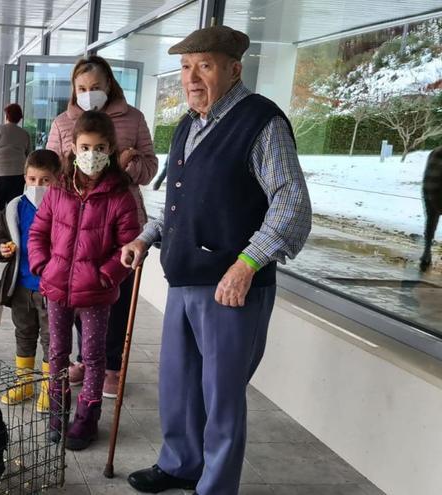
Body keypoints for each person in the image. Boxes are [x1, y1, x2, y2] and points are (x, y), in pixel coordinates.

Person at [120, 26, 312, 495]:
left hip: (231, 286)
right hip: (185, 279)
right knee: (180, 385)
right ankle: (181, 464)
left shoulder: (261, 122)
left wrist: (248, 264)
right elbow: (178, 204)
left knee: (221, 396)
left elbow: (292, 205)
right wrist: (145, 238)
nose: (192, 77)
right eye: (186, 67)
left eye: (204, 65)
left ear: (233, 68)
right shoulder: (188, 123)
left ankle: (215, 486)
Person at [46, 55, 159, 400]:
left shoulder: (133, 118)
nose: (89, 93)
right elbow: (51, 168)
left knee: (116, 293)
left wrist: (130, 162)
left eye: (95, 87)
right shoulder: (64, 122)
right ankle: (85, 359)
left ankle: (112, 365)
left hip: (120, 216)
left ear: (109, 84)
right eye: (82, 88)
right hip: (77, 220)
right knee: (80, 289)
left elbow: (151, 168)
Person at [29, 111, 141, 451]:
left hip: (96, 292)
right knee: (57, 352)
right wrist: (42, 266)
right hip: (57, 286)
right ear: (73, 149)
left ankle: (87, 418)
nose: (92, 154)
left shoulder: (120, 196)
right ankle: (57, 414)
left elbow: (128, 246)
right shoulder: (59, 190)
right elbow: (39, 231)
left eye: (100, 147)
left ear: (110, 149)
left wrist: (107, 276)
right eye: (85, 146)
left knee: (93, 356)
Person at [0, 149, 61, 412]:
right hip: (21, 286)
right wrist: (2, 249)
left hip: (50, 289)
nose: (37, 186)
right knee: (24, 333)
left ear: (58, 179)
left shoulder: (62, 207)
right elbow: (0, 235)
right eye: (32, 179)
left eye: (45, 180)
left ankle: (49, 388)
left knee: (51, 339)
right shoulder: (14, 207)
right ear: (24, 177)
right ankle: (25, 383)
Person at [0, 103, 33, 210]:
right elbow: (29, 156)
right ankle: (11, 225)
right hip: (18, 174)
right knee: (13, 205)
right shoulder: (25, 133)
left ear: (6, 116)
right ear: (19, 118)